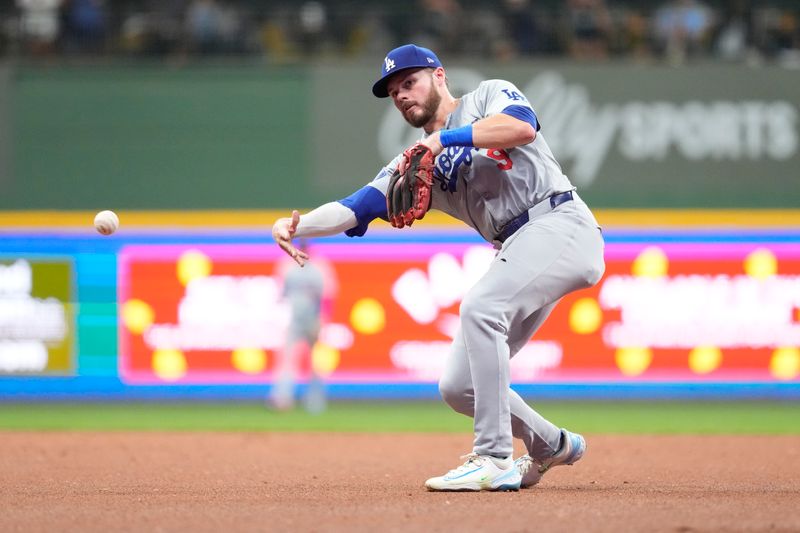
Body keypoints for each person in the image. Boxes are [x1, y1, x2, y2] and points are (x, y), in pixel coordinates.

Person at [272, 44, 605, 491]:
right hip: (520, 247)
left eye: (409, 82)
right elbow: (356, 206)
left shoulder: (486, 97)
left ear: (439, 76)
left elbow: (522, 128)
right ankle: (550, 443)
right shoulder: (414, 162)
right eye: (394, 92)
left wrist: (444, 138)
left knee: (482, 308)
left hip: (561, 222)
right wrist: (299, 224)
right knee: (458, 385)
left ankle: (494, 457)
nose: (402, 95)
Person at [269, 239, 329, 414]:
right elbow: (281, 296)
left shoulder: (316, 269)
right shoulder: (291, 269)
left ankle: (314, 402)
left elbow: (325, 297)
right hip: (295, 320)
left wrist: (321, 320)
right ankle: (283, 398)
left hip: (311, 320)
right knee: (289, 360)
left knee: (313, 361)